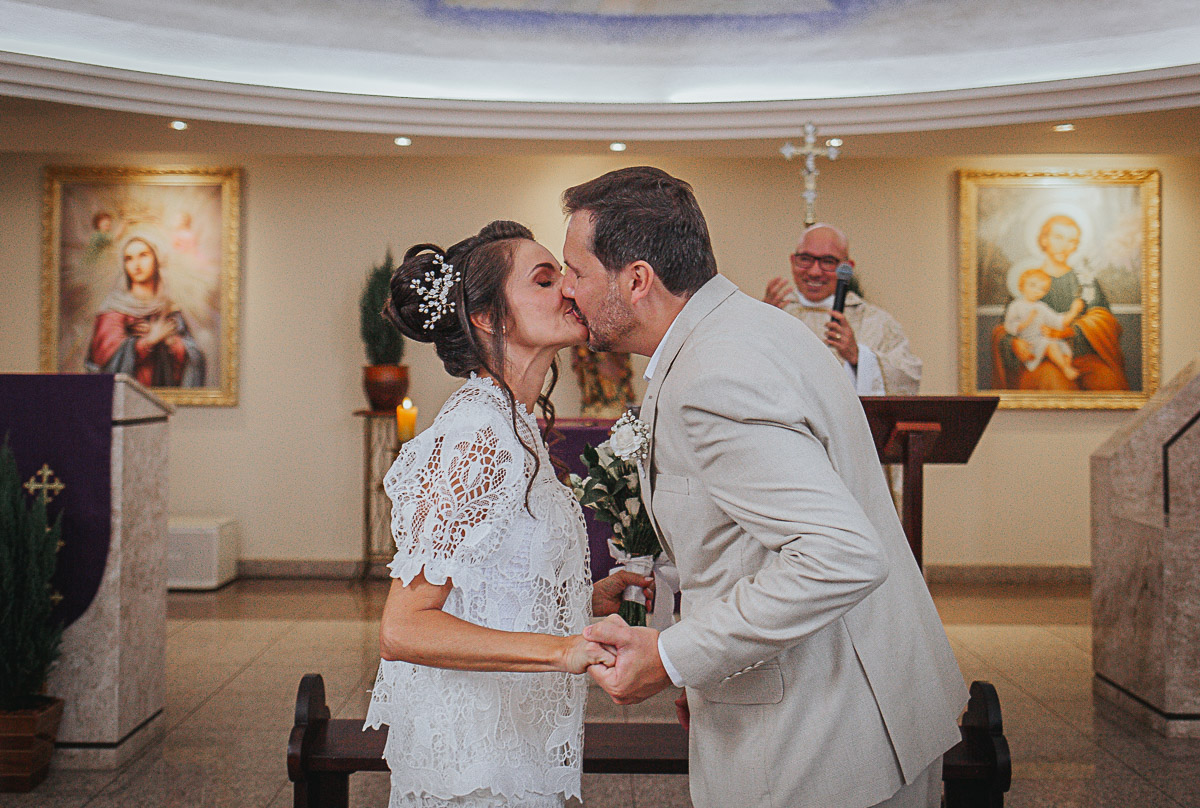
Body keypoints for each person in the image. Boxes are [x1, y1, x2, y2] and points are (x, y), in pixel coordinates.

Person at [560, 167, 967, 808]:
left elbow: (839, 555)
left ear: (637, 280)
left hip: (819, 738)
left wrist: (676, 655)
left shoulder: (712, 373)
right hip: (858, 705)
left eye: (575, 271)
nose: (566, 290)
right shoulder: (749, 327)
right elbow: (735, 530)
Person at [363, 220, 654, 808]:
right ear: (489, 318)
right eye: (546, 280)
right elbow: (404, 627)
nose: (570, 291)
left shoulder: (510, 423)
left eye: (566, 277)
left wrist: (587, 597)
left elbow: (493, 580)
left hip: (512, 739)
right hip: (474, 762)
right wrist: (559, 650)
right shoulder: (478, 432)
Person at [762, 223, 921, 395]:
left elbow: (908, 377)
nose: (815, 272)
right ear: (793, 261)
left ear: (848, 268)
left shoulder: (876, 321)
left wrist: (859, 357)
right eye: (806, 259)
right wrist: (756, 327)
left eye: (828, 262)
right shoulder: (770, 313)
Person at [993, 214, 1129, 391]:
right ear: (1043, 239)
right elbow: (1005, 327)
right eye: (1058, 237)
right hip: (1042, 357)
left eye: (1071, 241)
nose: (1064, 246)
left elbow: (1106, 323)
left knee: (1111, 383)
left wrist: (1068, 332)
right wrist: (1013, 343)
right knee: (1056, 386)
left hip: (1086, 357)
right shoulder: (1030, 281)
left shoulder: (1086, 282)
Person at [86, 233, 205, 387]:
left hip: (166, 397)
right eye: (129, 258)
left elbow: (196, 359)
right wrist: (148, 342)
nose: (136, 264)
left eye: (143, 255)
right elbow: (104, 360)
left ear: (156, 259)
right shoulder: (113, 310)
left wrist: (172, 343)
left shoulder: (170, 309)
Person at [1004, 268, 1085, 381]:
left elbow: (1057, 321)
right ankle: (1065, 369)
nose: (1037, 291)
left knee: (1064, 350)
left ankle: (1065, 367)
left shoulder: (1041, 307)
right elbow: (1009, 326)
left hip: (1042, 339)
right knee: (1051, 345)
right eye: (1032, 285)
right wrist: (1025, 322)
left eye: (1042, 289)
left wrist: (1073, 312)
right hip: (1029, 343)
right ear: (1021, 286)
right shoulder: (1015, 306)